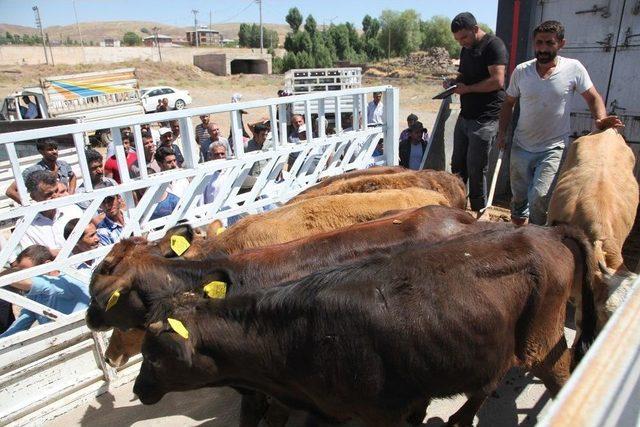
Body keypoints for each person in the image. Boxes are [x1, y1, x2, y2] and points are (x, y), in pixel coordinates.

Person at [497, 20, 623, 225]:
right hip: (522, 145)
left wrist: (600, 119)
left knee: (539, 196)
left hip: (552, 147)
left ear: (561, 44)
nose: (543, 49)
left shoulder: (573, 69)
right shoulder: (522, 71)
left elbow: (592, 97)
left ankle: (537, 239)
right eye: (539, 43)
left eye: (549, 43)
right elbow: (508, 103)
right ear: (533, 43)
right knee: (519, 197)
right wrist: (502, 133)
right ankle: (518, 234)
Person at [446, 11, 508, 212]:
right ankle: (458, 209)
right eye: (457, 39)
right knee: (457, 166)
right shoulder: (467, 48)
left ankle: (479, 213)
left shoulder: (493, 45)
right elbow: (465, 74)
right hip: (466, 115)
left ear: (475, 29)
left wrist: (469, 89)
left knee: (476, 169)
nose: (461, 42)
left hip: (485, 119)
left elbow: (498, 81)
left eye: (464, 37)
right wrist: (454, 82)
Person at [0, 245, 89, 338]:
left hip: (83, 337)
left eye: (28, 273)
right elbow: (20, 325)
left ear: (47, 265)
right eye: (22, 273)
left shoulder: (68, 283)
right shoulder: (36, 295)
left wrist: (8, 275)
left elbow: (34, 283)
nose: (24, 277)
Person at [19, 171, 81, 251]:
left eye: (56, 191)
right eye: (48, 194)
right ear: (33, 196)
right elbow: (32, 258)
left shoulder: (72, 210)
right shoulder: (25, 224)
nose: (55, 196)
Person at [5, 138, 76, 205]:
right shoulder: (33, 170)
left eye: (56, 148)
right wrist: (29, 205)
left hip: (66, 205)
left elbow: (72, 176)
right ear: (41, 151)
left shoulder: (63, 165)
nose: (54, 151)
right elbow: (10, 191)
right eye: (50, 149)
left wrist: (70, 194)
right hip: (48, 209)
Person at [150, 147, 181, 220]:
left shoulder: (183, 179)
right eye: (169, 162)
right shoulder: (156, 185)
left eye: (174, 160)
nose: (174, 165)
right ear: (159, 164)